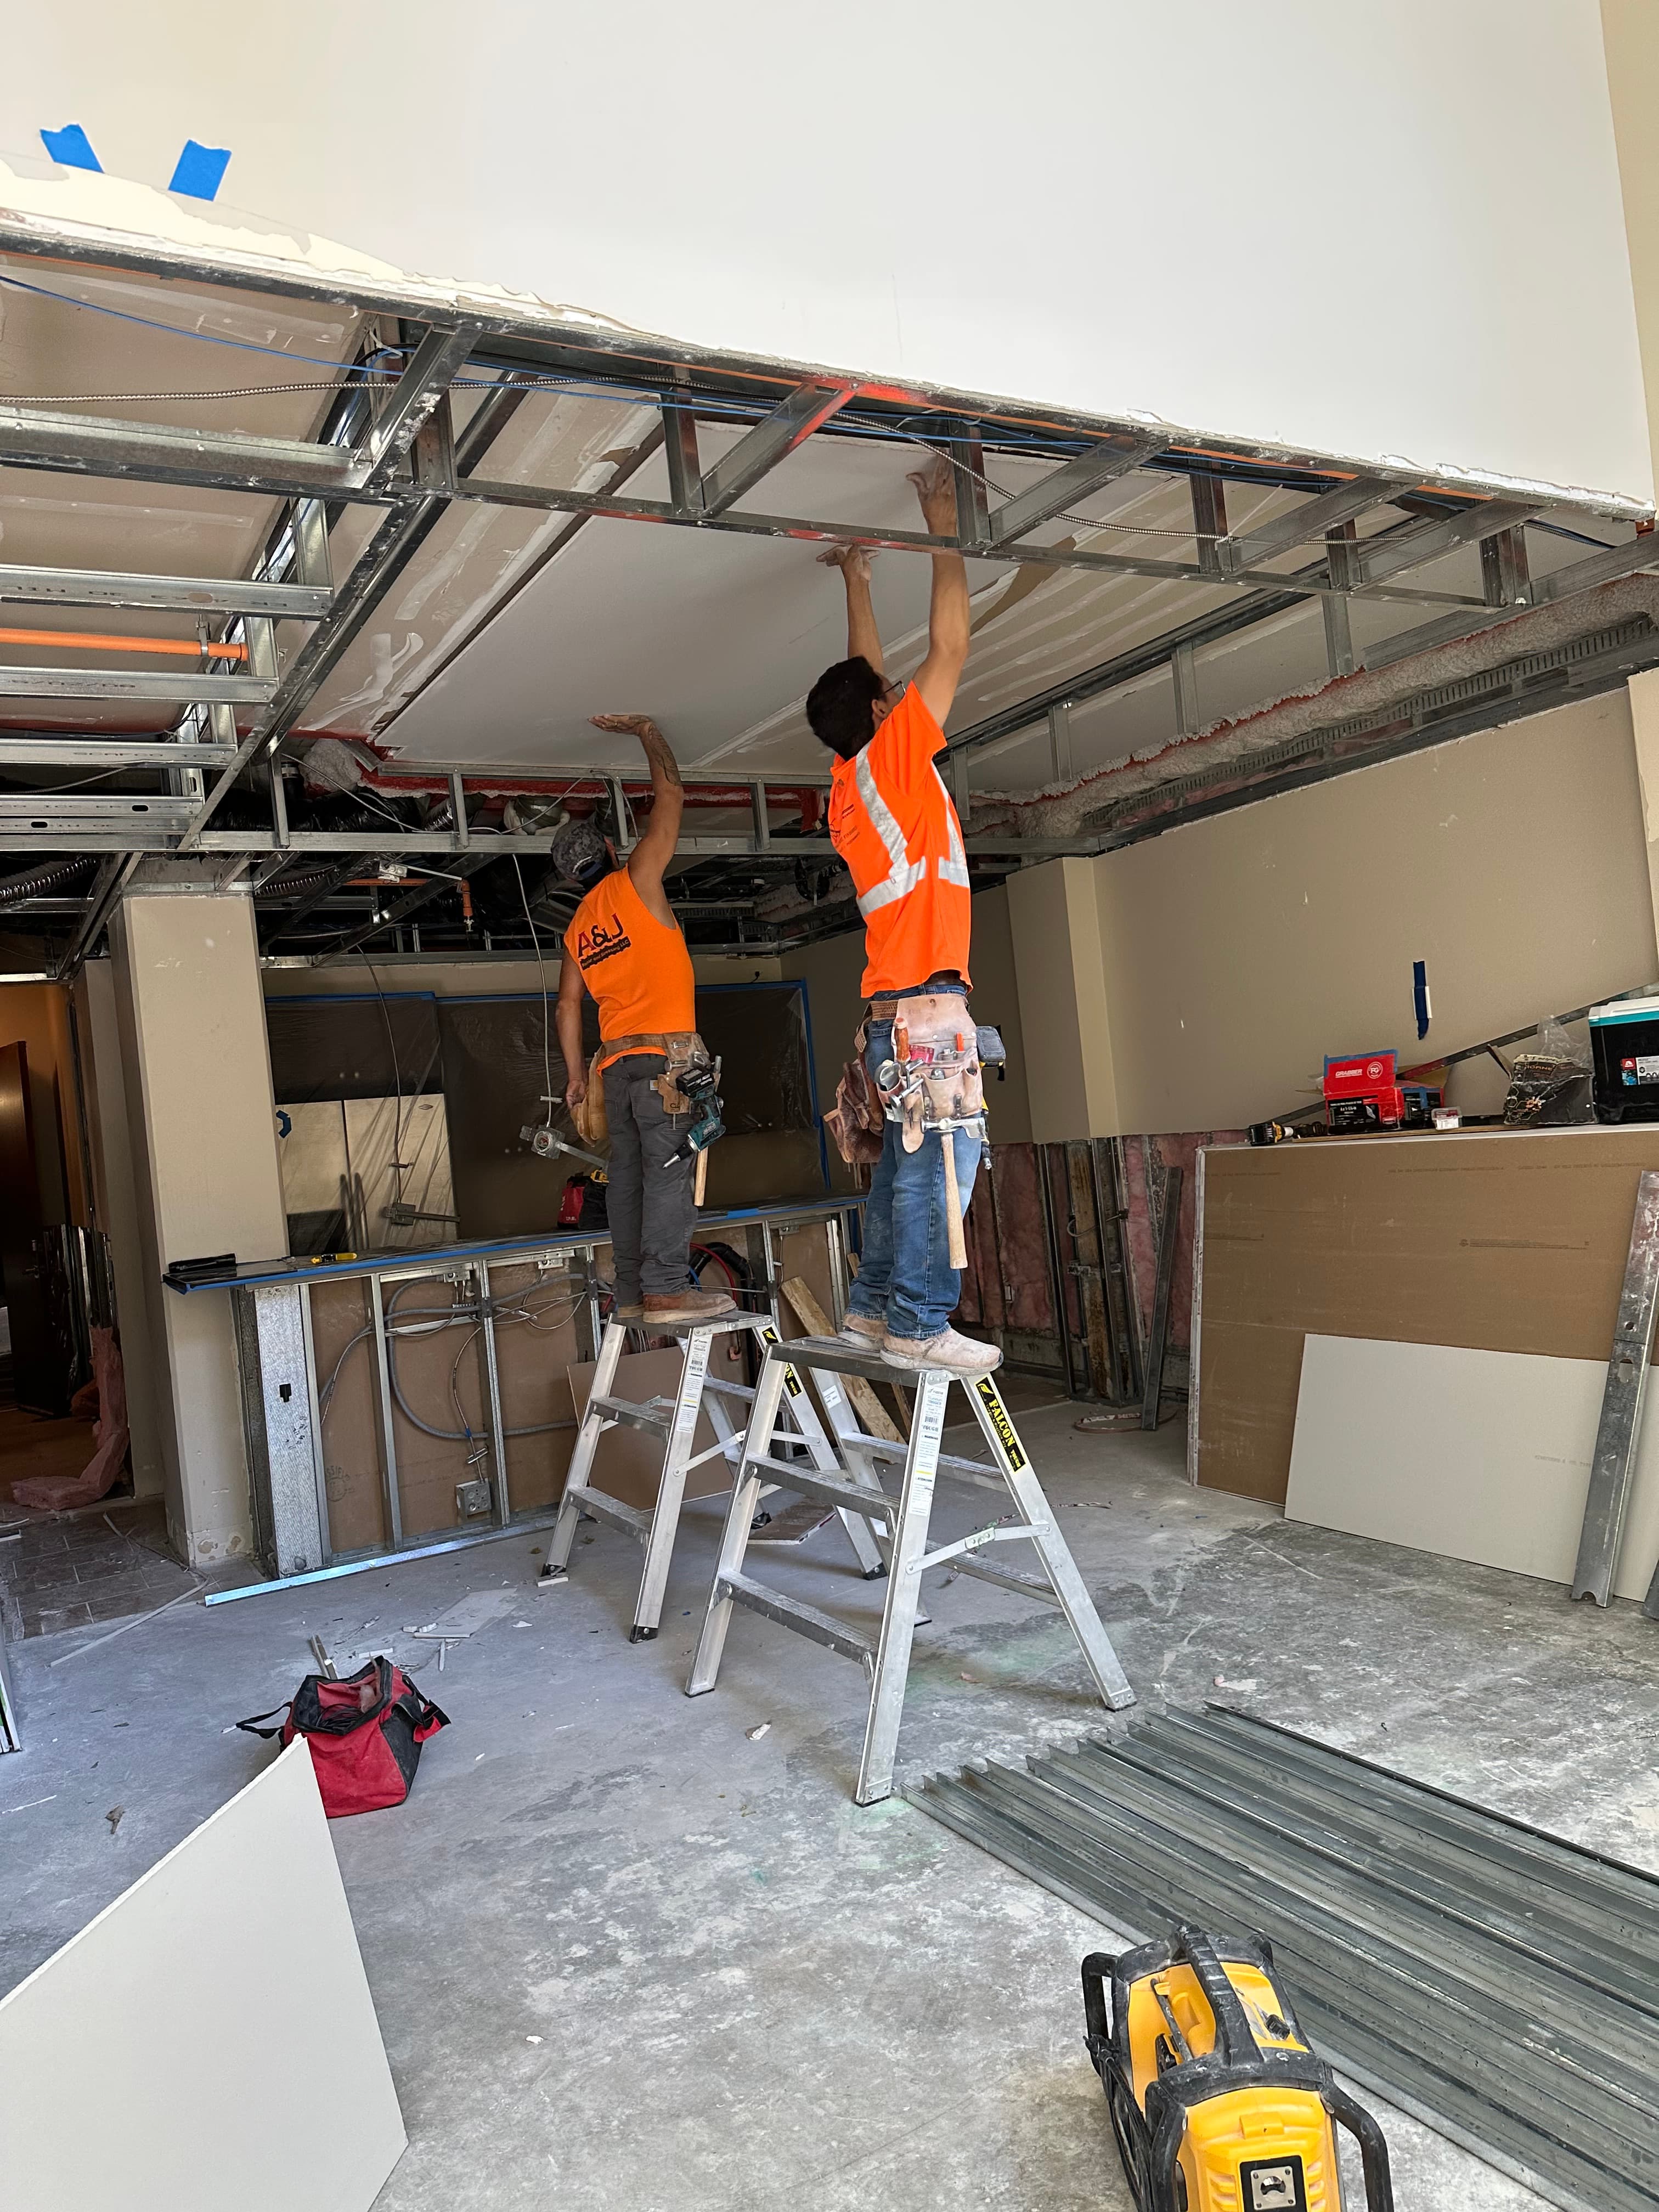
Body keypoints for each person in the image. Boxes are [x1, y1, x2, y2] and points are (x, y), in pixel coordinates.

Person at [808, 456, 998, 1375]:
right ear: (881, 717)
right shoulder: (887, 760)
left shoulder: (847, 785)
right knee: (938, 1171)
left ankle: (872, 1309)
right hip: (922, 1019)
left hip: (896, 1014)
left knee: (897, 1169)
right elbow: (950, 645)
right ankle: (919, 1323)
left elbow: (869, 678)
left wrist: (854, 577)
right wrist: (939, 517)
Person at [553, 714, 733, 1328]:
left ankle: (632, 1291)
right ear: (609, 850)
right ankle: (664, 1290)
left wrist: (577, 1078)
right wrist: (650, 732)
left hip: (617, 1067)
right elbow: (672, 795)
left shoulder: (578, 929)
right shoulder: (637, 881)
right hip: (665, 1063)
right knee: (667, 1175)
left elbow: (568, 1004)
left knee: (627, 1181)